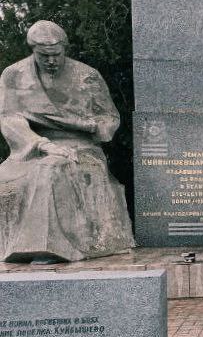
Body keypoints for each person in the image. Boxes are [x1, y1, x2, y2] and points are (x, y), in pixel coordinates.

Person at [0, 20, 134, 262]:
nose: (51, 61)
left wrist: (91, 126)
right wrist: (42, 144)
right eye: (44, 56)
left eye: (56, 55)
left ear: (65, 49)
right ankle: (10, 246)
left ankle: (50, 247)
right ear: (33, 51)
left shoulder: (87, 76)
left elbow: (109, 120)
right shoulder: (13, 76)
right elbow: (9, 119)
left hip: (81, 148)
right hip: (33, 147)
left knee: (50, 169)